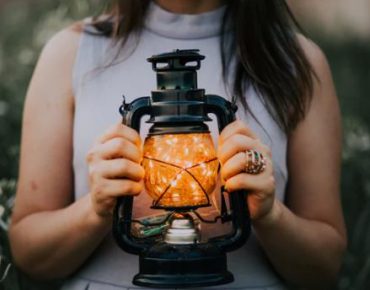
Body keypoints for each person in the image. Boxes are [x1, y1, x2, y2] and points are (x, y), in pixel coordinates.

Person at [9, 0, 347, 289]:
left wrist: (270, 215)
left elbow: (325, 267)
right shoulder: (73, 53)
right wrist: (95, 210)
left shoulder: (296, 61)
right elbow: (29, 254)